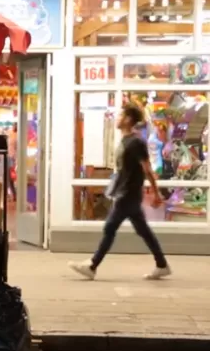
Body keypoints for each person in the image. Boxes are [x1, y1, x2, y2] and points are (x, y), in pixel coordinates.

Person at [68, 104, 171, 281]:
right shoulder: (125, 140)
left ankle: (92, 265)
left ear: (129, 119)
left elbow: (147, 169)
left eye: (121, 115)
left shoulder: (136, 142)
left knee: (110, 227)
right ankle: (162, 264)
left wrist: (156, 193)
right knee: (143, 230)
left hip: (129, 193)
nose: (117, 118)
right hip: (126, 191)